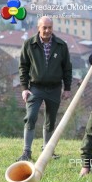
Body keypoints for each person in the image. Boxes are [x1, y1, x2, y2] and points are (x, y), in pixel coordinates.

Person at [17, 16, 72, 161]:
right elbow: (23, 67)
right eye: (44, 28)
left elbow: (67, 68)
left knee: (51, 120)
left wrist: (67, 88)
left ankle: (47, 150)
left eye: (50, 28)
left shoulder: (61, 45)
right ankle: (26, 152)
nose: (47, 31)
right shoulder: (29, 44)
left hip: (54, 88)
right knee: (31, 117)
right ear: (38, 28)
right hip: (35, 88)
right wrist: (24, 87)